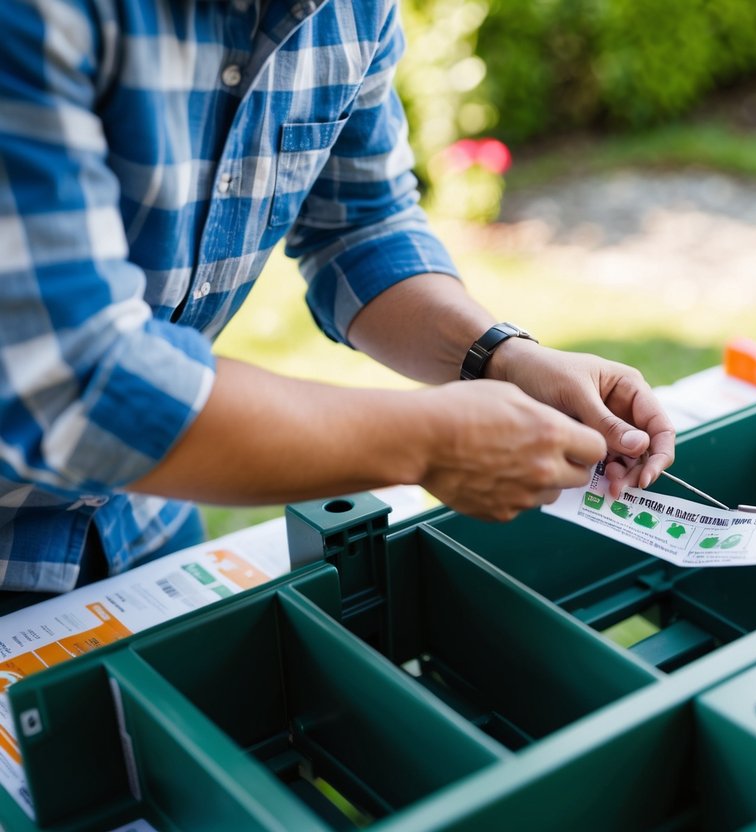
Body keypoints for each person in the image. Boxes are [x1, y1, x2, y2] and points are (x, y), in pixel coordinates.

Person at [0, 0, 675, 595]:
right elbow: (74, 378)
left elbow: (358, 226)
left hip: (144, 510)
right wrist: (429, 443)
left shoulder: (351, 11)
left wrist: (503, 358)